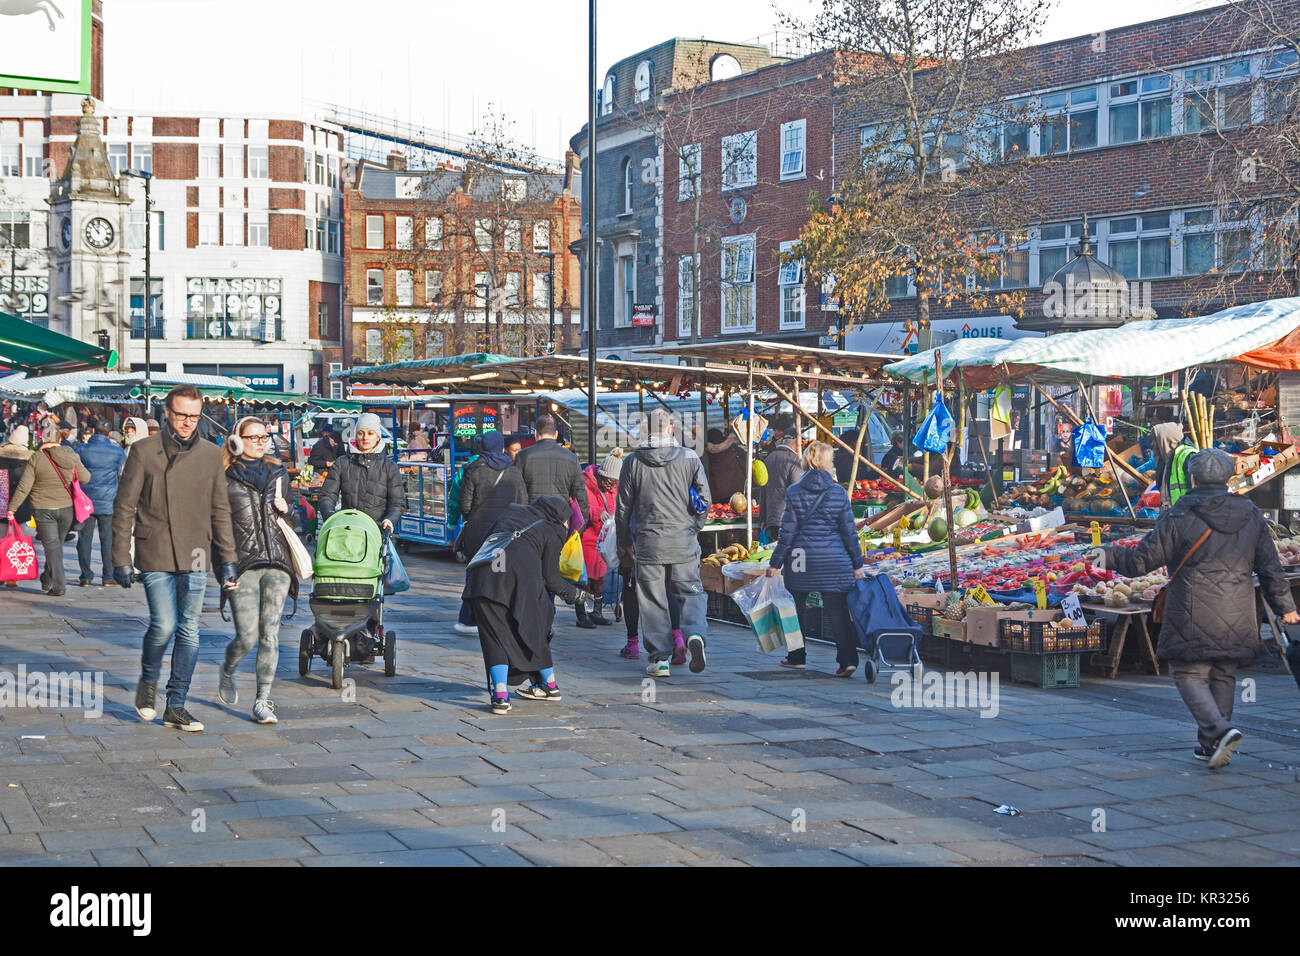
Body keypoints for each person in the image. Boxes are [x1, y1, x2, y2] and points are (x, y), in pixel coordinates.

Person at [1087, 448, 1298, 770]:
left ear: (1193, 478)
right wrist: (1286, 608)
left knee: (1188, 671)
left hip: (1191, 607)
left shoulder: (1180, 514)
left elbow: (1143, 560)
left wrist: (1107, 555)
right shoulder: (1252, 513)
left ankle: (1220, 729)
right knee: (1223, 671)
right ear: (1227, 477)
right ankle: (1210, 745)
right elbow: (1270, 567)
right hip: (1238, 607)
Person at [111, 385, 239, 734]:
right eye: (181, 414)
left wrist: (227, 558)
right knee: (164, 624)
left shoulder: (211, 454)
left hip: (196, 551)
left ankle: (177, 704)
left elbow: (220, 509)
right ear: (167, 412)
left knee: (190, 630)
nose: (187, 422)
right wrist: (121, 557)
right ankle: (148, 681)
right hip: (155, 551)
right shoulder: (143, 451)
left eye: (194, 416)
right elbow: (124, 507)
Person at [463, 495, 590, 714]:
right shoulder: (554, 530)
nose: (569, 526)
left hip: (484, 579)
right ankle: (549, 685)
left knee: (494, 637)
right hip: (519, 585)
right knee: (535, 628)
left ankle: (501, 696)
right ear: (560, 517)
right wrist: (576, 595)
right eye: (568, 521)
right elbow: (551, 578)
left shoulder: (511, 511)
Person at [616, 408, 711, 677]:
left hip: (648, 543)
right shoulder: (690, 457)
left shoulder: (633, 462)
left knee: (653, 599)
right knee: (691, 592)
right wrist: (696, 526)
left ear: (647, 430)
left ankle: (659, 659)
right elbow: (705, 500)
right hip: (683, 541)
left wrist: (624, 541)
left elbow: (622, 509)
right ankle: (694, 635)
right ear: (670, 428)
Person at [766, 441, 869, 676]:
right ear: (827, 462)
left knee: (795, 608)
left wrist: (775, 563)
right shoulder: (838, 492)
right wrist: (857, 565)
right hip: (835, 561)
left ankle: (797, 657)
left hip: (802, 560)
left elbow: (787, 532)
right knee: (838, 611)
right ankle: (848, 660)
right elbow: (849, 532)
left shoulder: (794, 492)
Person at [218, 417, 295, 726]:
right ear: (236, 441)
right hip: (243, 566)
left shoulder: (278, 474)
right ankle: (228, 667)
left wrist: (288, 510)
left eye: (265, 437)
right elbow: (216, 529)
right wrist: (224, 570)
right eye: (254, 438)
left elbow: (297, 520)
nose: (262, 442)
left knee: (270, 633)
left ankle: (262, 701)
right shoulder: (222, 479)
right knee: (247, 636)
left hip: (278, 563)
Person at [517, 414, 590, 627]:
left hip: (530, 525)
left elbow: (518, 494)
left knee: (534, 572)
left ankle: (538, 615)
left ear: (535, 433)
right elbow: (581, 497)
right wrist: (577, 529)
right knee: (552, 572)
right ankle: (547, 615)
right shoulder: (571, 458)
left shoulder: (523, 456)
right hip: (560, 525)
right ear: (556, 434)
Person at [454, 431, 528, 636]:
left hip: (477, 534)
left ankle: (468, 618)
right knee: (499, 575)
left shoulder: (473, 470)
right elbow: (523, 503)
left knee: (475, 573)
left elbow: (465, 506)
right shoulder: (513, 472)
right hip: (504, 534)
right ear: (501, 448)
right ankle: (499, 618)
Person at [6, 419, 90, 597]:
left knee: (52, 546)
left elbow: (24, 486)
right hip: (66, 508)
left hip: (43, 509)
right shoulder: (71, 455)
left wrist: (12, 508)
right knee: (55, 545)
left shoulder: (36, 458)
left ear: (43, 439)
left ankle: (59, 585)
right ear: (59, 439)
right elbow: (86, 478)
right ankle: (47, 577)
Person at [317, 413, 404, 533]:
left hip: (377, 533)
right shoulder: (342, 463)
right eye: (361, 433)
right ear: (356, 435)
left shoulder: (389, 467)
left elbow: (397, 504)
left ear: (378, 437)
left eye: (370, 433)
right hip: (347, 532)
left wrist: (389, 520)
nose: (365, 438)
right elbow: (327, 495)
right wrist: (331, 517)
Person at [75, 421, 127, 588]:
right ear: (109, 433)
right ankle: (108, 576)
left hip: (86, 502)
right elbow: (122, 471)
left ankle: (86, 576)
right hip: (108, 501)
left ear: (92, 431)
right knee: (108, 540)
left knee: (84, 539)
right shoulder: (117, 451)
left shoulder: (82, 449)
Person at [580, 452, 622, 627]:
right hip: (588, 537)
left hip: (604, 540)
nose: (610, 486)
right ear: (601, 475)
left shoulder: (613, 488)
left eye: (614, 484)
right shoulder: (585, 483)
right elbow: (578, 505)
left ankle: (596, 611)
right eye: (608, 482)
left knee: (600, 578)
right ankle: (581, 614)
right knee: (584, 579)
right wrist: (596, 513)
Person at [758, 415, 804, 543]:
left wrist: (763, 518)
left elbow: (763, 491)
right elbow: (797, 491)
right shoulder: (794, 461)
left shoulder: (768, 459)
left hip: (771, 519)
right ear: (795, 442)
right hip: (788, 519)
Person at [0, 425, 33, 590]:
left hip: (1, 503)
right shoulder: (29, 460)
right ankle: (11, 577)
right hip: (21, 505)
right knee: (16, 542)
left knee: (1, 540)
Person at [1153, 421, 1196, 510]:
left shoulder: (1188, 456)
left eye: (1155, 440)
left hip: (1184, 515)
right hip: (1170, 514)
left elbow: (1196, 493)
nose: (1152, 444)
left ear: (1165, 440)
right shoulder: (1165, 459)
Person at [705, 428, 746, 504]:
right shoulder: (732, 447)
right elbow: (746, 457)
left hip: (716, 493)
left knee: (720, 512)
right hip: (736, 489)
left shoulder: (706, 453)